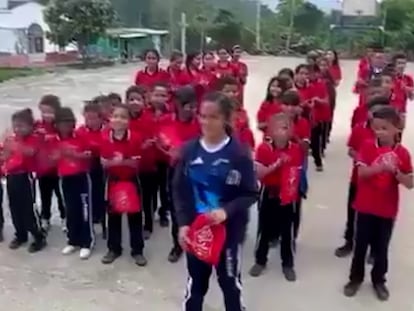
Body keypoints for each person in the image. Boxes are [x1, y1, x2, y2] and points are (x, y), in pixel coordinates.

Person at [173, 91, 258, 311]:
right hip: (197, 231)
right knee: (196, 286)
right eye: (202, 116)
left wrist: (226, 211)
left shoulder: (238, 154)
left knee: (230, 285)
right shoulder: (189, 150)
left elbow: (250, 193)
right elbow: (179, 190)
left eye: (213, 117)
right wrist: (183, 224)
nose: (206, 122)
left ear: (226, 119)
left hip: (227, 235)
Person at [343, 106, 413, 301]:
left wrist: (396, 172)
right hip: (365, 206)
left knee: (381, 247)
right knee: (360, 245)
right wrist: (381, 166)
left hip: (387, 209)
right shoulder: (367, 146)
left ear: (397, 129)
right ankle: (355, 278)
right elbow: (362, 173)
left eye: (384, 128)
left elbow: (410, 183)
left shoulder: (403, 154)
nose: (380, 132)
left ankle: (379, 280)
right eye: (377, 128)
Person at [250, 112, 302, 282]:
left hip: (287, 193)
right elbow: (259, 174)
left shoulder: (295, 149)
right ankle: (260, 260)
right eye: (278, 128)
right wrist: (277, 164)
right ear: (270, 131)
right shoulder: (263, 149)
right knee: (264, 228)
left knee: (287, 231)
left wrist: (292, 193)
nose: (282, 132)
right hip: (269, 190)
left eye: (286, 127)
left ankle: (288, 264)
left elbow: (296, 172)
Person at [335, 96, 390, 258]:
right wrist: (362, 157)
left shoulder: (389, 133)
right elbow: (351, 150)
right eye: (374, 112)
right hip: (359, 179)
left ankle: (374, 249)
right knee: (353, 211)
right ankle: (349, 241)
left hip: (381, 182)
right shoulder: (359, 129)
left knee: (376, 216)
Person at [100, 104, 147, 266]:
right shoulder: (104, 137)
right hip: (113, 180)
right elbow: (103, 164)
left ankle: (138, 250)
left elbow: (135, 164)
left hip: (132, 180)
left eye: (123, 117)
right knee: (113, 216)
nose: (118, 120)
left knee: (135, 216)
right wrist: (119, 162)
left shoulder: (136, 138)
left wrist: (120, 161)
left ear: (129, 121)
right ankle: (114, 249)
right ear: (109, 119)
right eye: (115, 116)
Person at [1, 108, 46, 252]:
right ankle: (20, 235)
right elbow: (5, 156)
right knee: (14, 207)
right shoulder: (11, 139)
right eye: (15, 126)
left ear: (30, 126)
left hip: (26, 177)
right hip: (11, 177)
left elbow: (30, 152)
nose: (17, 129)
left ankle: (38, 236)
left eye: (21, 126)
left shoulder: (34, 138)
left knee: (29, 208)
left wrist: (14, 145)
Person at [165, 86, 200, 263]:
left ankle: (196, 242)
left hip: (197, 170)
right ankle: (177, 245)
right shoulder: (167, 121)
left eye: (194, 106)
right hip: (175, 170)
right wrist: (169, 151)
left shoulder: (200, 123)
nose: (191, 110)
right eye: (187, 107)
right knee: (176, 208)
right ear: (178, 105)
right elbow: (162, 142)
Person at [54, 107, 94, 260]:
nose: (66, 127)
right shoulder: (54, 140)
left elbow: (89, 154)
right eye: (62, 123)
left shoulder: (80, 136)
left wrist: (75, 155)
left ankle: (86, 242)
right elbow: (50, 158)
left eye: (69, 123)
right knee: (71, 210)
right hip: (66, 178)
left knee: (84, 210)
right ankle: (73, 240)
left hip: (82, 177)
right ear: (57, 125)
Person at [126, 85, 158, 239]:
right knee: (134, 197)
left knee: (147, 197)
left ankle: (149, 225)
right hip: (130, 166)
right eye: (131, 99)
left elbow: (152, 140)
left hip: (148, 164)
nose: (134, 103)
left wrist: (143, 146)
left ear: (144, 102)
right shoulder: (123, 119)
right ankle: (136, 223)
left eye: (138, 99)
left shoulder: (150, 119)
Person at [35, 94, 65, 231]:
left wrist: (51, 136)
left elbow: (67, 139)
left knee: (61, 196)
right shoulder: (37, 126)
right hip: (43, 169)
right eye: (43, 112)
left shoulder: (61, 125)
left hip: (58, 169)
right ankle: (45, 218)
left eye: (50, 112)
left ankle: (65, 218)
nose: (46, 115)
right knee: (45, 195)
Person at [76, 102, 106, 238]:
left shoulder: (107, 130)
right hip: (88, 165)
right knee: (91, 191)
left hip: (104, 165)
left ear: (101, 118)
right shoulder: (80, 131)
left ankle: (104, 217)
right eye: (88, 118)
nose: (91, 122)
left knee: (103, 192)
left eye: (94, 118)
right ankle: (94, 215)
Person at [217, 76, 255, 150]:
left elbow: (247, 135)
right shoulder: (213, 111)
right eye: (227, 91)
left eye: (234, 92)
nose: (231, 94)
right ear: (219, 92)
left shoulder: (242, 113)